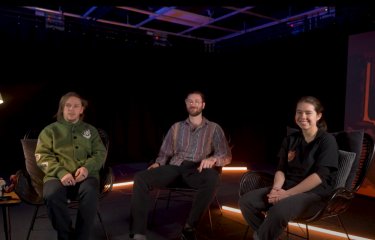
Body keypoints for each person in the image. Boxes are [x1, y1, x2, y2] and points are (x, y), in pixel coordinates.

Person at [129, 90, 232, 240]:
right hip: (175, 168)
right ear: (186, 104)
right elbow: (165, 152)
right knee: (140, 178)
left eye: (197, 101)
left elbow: (226, 155)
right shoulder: (176, 127)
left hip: (197, 170)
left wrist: (214, 159)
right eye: (190, 101)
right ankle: (138, 233)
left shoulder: (214, 128)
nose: (193, 103)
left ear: (203, 105)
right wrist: (158, 163)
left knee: (213, 178)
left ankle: (189, 229)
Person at [238, 96, 339, 240]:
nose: (302, 116)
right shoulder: (290, 139)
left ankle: (261, 237)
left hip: (315, 194)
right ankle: (267, 236)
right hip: (287, 188)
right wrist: (276, 189)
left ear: (319, 116)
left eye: (308, 113)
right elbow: (281, 169)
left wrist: (286, 194)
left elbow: (319, 176)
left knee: (278, 210)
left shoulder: (327, 140)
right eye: (299, 112)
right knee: (246, 202)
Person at [35, 92, 107, 240]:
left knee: (91, 192)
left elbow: (100, 153)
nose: (71, 109)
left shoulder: (91, 131)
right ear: (62, 108)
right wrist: (61, 172)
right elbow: (42, 156)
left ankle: (82, 237)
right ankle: (65, 235)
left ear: (82, 110)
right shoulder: (49, 131)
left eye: (76, 106)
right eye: (68, 105)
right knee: (51, 194)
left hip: (86, 176)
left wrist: (87, 168)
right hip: (56, 176)